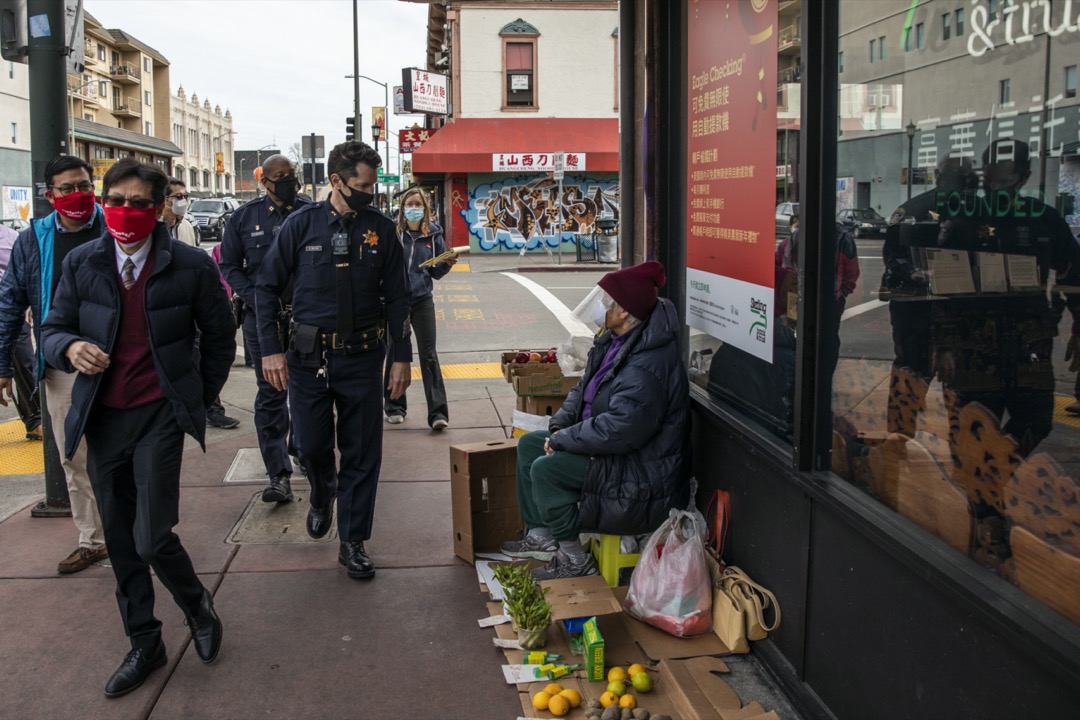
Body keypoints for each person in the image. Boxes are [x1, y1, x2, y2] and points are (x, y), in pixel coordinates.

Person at [40, 159, 235, 697]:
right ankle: (144, 642)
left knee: (152, 537)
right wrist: (70, 347)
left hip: (159, 416)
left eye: (140, 203)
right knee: (122, 542)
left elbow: (220, 337)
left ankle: (197, 606)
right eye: (117, 201)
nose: (127, 212)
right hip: (103, 419)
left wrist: (197, 393)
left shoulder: (191, 265)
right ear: (104, 203)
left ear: (159, 208)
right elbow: (52, 329)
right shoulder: (83, 262)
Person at [256, 140, 412, 581]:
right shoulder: (300, 226)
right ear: (336, 181)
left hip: (363, 358)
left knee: (363, 454)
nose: (369, 194)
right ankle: (322, 494)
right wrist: (269, 349)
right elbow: (264, 287)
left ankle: (352, 541)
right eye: (361, 186)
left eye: (373, 186)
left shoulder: (381, 229)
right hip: (308, 359)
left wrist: (402, 359)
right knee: (310, 446)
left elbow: (399, 298)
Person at [501, 261, 692, 579]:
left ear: (626, 313)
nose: (600, 306)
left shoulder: (649, 363)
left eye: (607, 302)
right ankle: (541, 536)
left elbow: (621, 429)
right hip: (610, 452)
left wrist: (564, 440)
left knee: (547, 469)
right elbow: (581, 391)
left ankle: (575, 559)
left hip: (640, 475)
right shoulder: (612, 342)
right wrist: (559, 426)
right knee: (531, 445)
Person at [928, 139, 1080, 457]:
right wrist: (942, 344)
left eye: (1005, 179)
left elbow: (1073, 275)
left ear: (1024, 176)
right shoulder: (963, 220)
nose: (996, 186)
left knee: (1036, 421)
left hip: (1029, 345)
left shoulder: (1044, 220)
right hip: (973, 345)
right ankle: (983, 500)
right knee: (970, 431)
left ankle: (990, 481)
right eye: (991, 177)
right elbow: (942, 289)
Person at [0, 155, 108, 574]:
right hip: (62, 366)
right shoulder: (34, 240)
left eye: (84, 185)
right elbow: (12, 302)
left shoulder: (114, 228)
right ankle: (93, 539)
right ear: (50, 195)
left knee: (127, 451)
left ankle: (136, 532)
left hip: (118, 360)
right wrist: (4, 365)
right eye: (67, 188)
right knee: (73, 455)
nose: (79, 195)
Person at [219, 155, 308, 502]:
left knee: (305, 387)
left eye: (292, 175)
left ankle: (302, 449)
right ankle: (277, 474)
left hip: (304, 317)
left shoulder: (310, 213)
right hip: (262, 318)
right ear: (264, 182)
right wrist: (255, 297)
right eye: (280, 177)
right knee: (271, 393)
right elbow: (229, 265)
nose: (288, 181)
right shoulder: (244, 218)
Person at [164, 176, 239, 430]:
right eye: (178, 197)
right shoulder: (155, 230)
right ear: (163, 201)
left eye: (185, 197)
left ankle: (211, 408)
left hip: (190, 306)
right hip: (169, 309)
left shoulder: (184, 225)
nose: (183, 202)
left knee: (201, 352)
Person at [384, 186, 456, 429]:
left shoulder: (434, 234)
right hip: (396, 302)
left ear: (425, 209)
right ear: (402, 207)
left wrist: (447, 263)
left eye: (418, 205)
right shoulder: (392, 232)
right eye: (409, 204)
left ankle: (438, 413)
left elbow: (435, 272)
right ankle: (394, 405)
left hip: (423, 300)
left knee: (429, 354)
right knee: (394, 352)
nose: (413, 208)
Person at [0, 222, 41, 440]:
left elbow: (25, 272)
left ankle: (35, 418)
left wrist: (32, 303)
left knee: (24, 362)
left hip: (10, 308)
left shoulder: (12, 237)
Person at [161, 178, 197, 247]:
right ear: (165, 199)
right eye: (179, 196)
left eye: (185, 196)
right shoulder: (152, 227)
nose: (183, 200)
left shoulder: (187, 226)